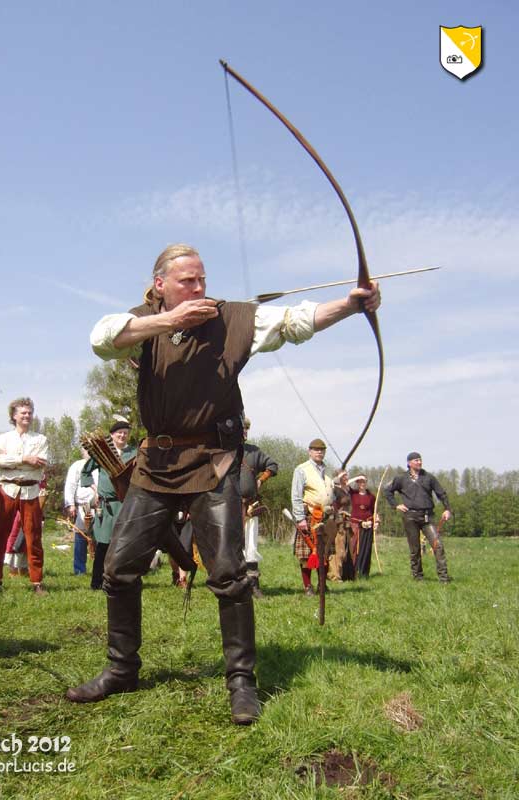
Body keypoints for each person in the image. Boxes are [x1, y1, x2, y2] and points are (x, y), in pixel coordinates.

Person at [66, 243, 381, 725]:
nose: (198, 288)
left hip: (212, 460)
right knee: (120, 566)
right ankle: (121, 668)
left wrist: (351, 304)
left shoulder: (229, 318)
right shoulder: (142, 323)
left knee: (230, 574)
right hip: (156, 463)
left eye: (202, 279)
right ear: (160, 285)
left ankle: (241, 683)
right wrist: (170, 322)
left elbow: (294, 321)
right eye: (187, 281)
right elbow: (101, 338)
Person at [0, 398, 49, 594]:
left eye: (30, 412)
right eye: (23, 413)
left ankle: (36, 581)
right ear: (14, 416)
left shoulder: (40, 439)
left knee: (33, 536)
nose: (27, 416)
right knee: (0, 534)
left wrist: (12, 462)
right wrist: (23, 459)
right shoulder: (3, 438)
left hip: (31, 490)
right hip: (7, 489)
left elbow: (41, 462)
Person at [80, 420, 137, 590]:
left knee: (124, 544)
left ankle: (122, 580)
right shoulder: (102, 453)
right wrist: (95, 488)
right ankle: (97, 582)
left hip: (126, 504)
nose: (122, 435)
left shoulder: (134, 453)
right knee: (104, 544)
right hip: (108, 506)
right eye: (119, 432)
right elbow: (85, 472)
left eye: (125, 432)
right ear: (112, 435)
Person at [384, 452, 452, 583]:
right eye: (416, 460)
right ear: (409, 463)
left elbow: (441, 494)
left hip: (427, 516)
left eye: (420, 460)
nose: (419, 462)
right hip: (410, 517)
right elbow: (387, 491)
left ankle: (443, 578)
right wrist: (396, 505)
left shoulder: (428, 477)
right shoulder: (401, 478)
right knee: (415, 549)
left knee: (438, 545)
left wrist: (447, 509)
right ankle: (418, 577)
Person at [291, 439, 339, 596]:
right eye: (315, 449)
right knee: (307, 554)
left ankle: (322, 585)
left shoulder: (326, 473)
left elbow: (329, 495)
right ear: (309, 451)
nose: (319, 452)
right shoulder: (301, 469)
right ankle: (308, 587)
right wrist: (300, 518)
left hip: (324, 517)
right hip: (308, 516)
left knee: (323, 552)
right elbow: (296, 496)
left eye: (322, 450)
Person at [240, 417, 278, 599]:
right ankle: (236, 584)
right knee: (231, 546)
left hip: (250, 506)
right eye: (242, 428)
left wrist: (261, 479)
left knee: (251, 546)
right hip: (228, 507)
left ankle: (253, 585)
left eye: (247, 429)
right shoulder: (223, 451)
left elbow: (273, 465)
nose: (244, 432)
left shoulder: (254, 452)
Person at [64, 448, 98, 576]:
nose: (89, 452)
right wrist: (70, 504)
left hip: (101, 505)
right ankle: (79, 570)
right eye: (86, 449)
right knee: (81, 537)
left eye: (92, 449)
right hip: (83, 506)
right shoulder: (78, 465)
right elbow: (70, 485)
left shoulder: (102, 465)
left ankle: (100, 568)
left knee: (101, 539)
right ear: (82, 451)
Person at [348, 475, 376, 578]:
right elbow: (344, 484)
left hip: (368, 525)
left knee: (366, 548)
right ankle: (353, 572)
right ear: (357, 483)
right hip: (355, 524)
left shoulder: (371, 496)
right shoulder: (353, 494)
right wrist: (356, 477)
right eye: (360, 482)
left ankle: (364, 573)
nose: (362, 484)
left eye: (364, 481)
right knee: (354, 548)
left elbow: (373, 511)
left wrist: (375, 521)